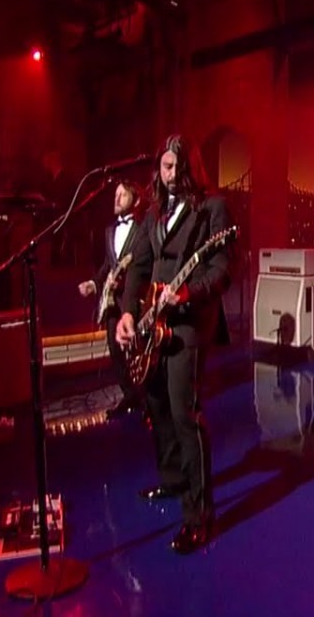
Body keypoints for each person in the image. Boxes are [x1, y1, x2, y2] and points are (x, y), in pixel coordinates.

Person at [115, 134, 232, 554]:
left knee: (185, 412)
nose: (169, 175)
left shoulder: (213, 208)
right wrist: (128, 312)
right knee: (157, 405)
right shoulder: (153, 213)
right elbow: (138, 268)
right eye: (164, 167)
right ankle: (173, 479)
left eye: (175, 167)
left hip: (189, 324)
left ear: (190, 168)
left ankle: (199, 517)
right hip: (153, 320)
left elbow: (221, 271)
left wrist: (186, 293)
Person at [78, 180, 147, 417]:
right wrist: (93, 283)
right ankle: (130, 396)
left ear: (136, 200)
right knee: (115, 352)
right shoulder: (109, 230)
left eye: (123, 195)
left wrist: (127, 283)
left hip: (134, 300)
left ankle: (146, 396)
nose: (116, 199)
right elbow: (108, 265)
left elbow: (144, 265)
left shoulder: (143, 229)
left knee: (137, 350)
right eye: (115, 194)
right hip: (112, 303)